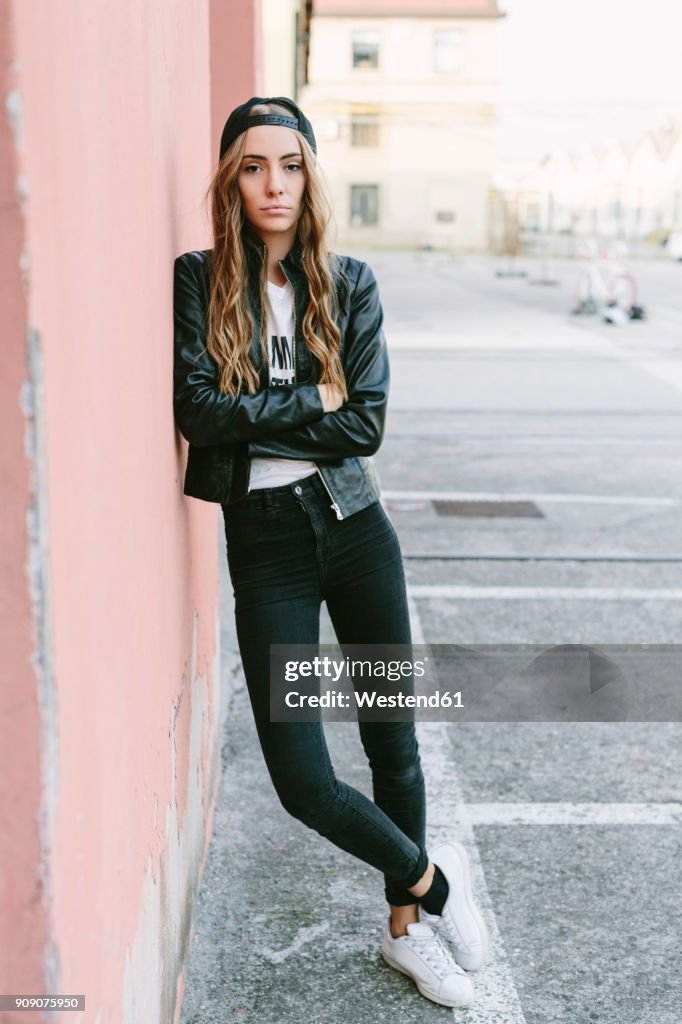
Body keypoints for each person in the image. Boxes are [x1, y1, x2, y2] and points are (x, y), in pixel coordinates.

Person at [173, 96, 488, 1009]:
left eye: (292, 165)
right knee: (303, 779)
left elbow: (369, 423)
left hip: (355, 527)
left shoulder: (349, 283)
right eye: (254, 166)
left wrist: (278, 411)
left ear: (312, 176)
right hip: (265, 545)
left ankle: (406, 933)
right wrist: (313, 394)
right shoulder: (198, 280)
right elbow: (200, 413)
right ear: (231, 177)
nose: (274, 184)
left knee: (394, 741)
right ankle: (432, 878)